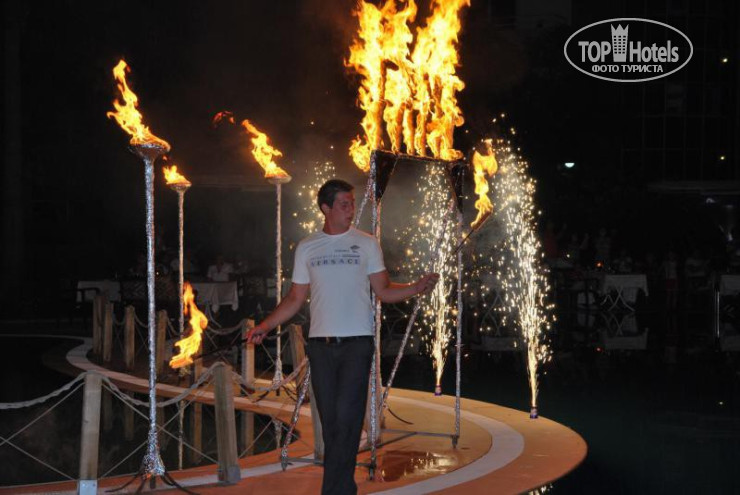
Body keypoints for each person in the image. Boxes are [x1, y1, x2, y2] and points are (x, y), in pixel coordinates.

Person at [246, 179, 438, 495]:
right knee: (332, 424)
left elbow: (384, 291)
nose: (351, 209)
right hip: (320, 347)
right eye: (344, 204)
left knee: (348, 420)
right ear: (326, 208)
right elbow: (295, 298)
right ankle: (342, 488)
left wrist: (416, 287)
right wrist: (265, 326)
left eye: (352, 203)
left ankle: (335, 491)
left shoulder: (366, 244)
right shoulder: (307, 247)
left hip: (356, 345)